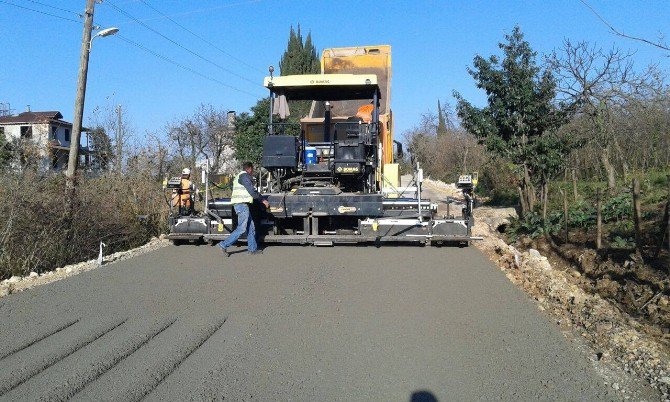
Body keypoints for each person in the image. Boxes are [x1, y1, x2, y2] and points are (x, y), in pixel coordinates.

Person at [219, 162, 270, 256]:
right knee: (242, 229)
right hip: (241, 205)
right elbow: (252, 191)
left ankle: (252, 249)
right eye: (252, 170)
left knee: (251, 228)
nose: (252, 172)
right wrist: (263, 200)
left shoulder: (240, 176)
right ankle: (223, 245)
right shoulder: (244, 176)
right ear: (249, 168)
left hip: (242, 205)